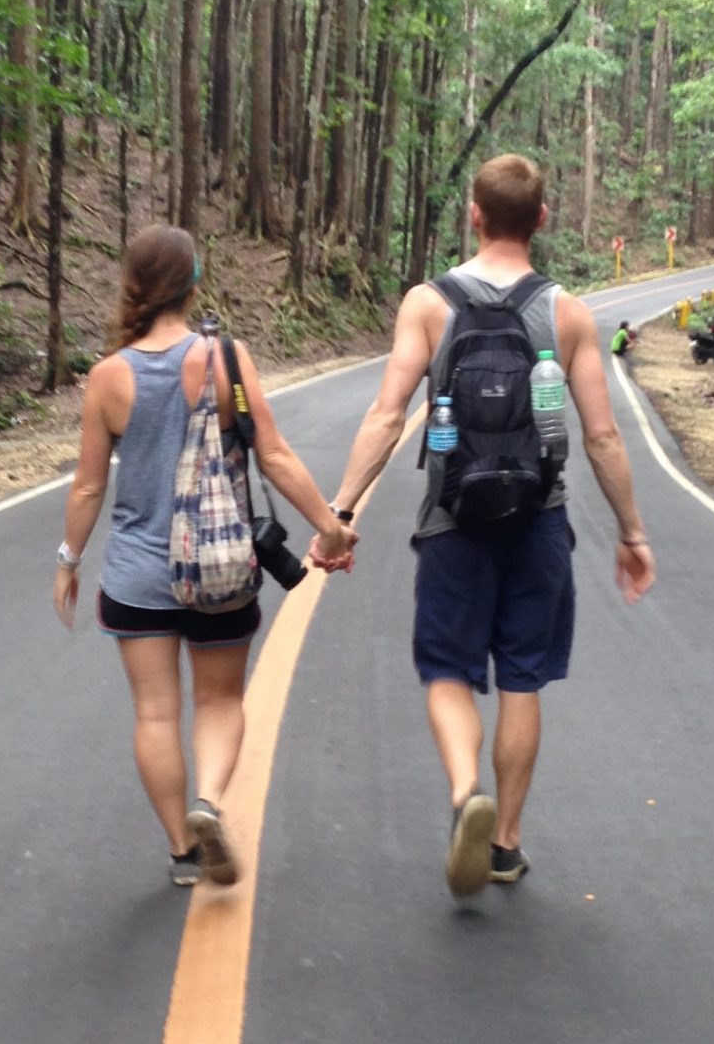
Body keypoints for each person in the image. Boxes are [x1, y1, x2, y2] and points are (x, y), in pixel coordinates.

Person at [311, 155, 655, 899]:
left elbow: (385, 415)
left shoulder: (428, 304)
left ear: (473, 214)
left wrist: (338, 515)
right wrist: (632, 534)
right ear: (541, 219)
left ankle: (467, 788)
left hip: (451, 520)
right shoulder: (567, 314)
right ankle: (504, 843)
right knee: (523, 679)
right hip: (539, 520)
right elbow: (601, 438)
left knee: (447, 672)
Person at [55, 223, 355, 888]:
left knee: (155, 712)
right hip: (220, 565)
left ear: (132, 284)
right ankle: (209, 803)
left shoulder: (107, 378)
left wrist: (69, 559)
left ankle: (183, 852)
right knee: (219, 701)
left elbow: (88, 484)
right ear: (193, 284)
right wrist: (329, 527)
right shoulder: (226, 360)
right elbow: (273, 455)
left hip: (137, 574)